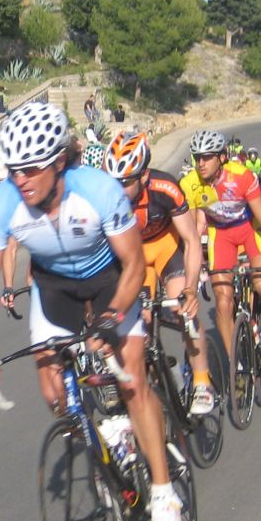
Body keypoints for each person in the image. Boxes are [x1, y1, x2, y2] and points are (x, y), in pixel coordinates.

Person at [0, 101, 184, 521]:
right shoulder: (3, 203)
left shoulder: (97, 190)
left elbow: (134, 264)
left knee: (131, 380)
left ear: (59, 162)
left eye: (31, 169)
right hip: (54, 289)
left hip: (109, 280)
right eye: (14, 170)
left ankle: (163, 491)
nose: (20, 180)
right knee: (56, 395)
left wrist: (111, 317)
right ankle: (110, 442)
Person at [103, 130, 215, 416]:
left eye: (125, 182)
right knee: (140, 325)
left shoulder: (165, 187)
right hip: (135, 257)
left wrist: (190, 289)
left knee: (183, 311)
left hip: (166, 248)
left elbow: (191, 240)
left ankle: (202, 381)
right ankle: (163, 378)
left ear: (143, 176)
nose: (117, 189)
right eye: (113, 181)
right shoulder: (105, 196)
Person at [180, 129, 261, 360]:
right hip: (220, 236)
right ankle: (235, 364)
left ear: (222, 157)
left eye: (207, 157)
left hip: (248, 230)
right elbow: (194, 233)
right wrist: (197, 269)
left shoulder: (241, 176)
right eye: (197, 157)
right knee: (223, 302)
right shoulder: (190, 184)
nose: (201, 163)